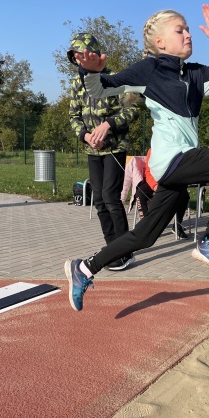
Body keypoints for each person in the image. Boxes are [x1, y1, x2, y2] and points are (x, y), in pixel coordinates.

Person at [65, 4, 209, 311]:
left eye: (188, 29)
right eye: (179, 30)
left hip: (180, 165)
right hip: (171, 160)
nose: (188, 34)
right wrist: (90, 71)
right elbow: (100, 90)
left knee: (145, 236)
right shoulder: (149, 70)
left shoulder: (196, 74)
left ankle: (85, 268)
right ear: (160, 43)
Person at [68, 33, 140, 271]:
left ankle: (125, 251)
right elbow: (74, 116)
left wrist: (107, 125)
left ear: (94, 53)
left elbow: (133, 110)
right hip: (92, 150)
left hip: (114, 148)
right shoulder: (77, 84)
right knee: (98, 200)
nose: (79, 59)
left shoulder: (115, 79)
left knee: (110, 197)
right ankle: (112, 249)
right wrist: (86, 136)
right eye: (75, 56)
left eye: (82, 54)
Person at [135, 148, 189, 239]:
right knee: (140, 192)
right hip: (154, 180)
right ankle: (145, 226)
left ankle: (177, 226)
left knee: (184, 195)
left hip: (170, 180)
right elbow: (148, 171)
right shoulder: (152, 149)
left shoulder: (177, 149)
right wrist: (155, 186)